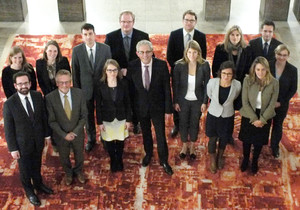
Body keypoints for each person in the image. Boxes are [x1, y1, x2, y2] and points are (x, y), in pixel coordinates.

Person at [3, 72, 53, 206]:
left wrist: (47, 135)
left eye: (26, 83)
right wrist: (13, 148)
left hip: (38, 140)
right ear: (15, 86)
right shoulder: (9, 104)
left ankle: (39, 184)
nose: (23, 86)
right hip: (21, 144)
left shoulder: (37, 96)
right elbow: (8, 129)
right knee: (25, 170)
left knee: (37, 164)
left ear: (30, 83)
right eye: (20, 84)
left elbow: (43, 117)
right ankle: (30, 192)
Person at [127, 40, 173, 175]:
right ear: (137, 53)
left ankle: (164, 160)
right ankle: (148, 154)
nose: (145, 55)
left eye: (148, 52)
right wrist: (131, 112)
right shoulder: (132, 66)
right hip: (141, 108)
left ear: (152, 52)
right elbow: (130, 90)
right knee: (146, 133)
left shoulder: (161, 65)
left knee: (160, 135)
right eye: (142, 52)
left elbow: (167, 89)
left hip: (158, 107)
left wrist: (168, 110)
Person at [105, 10, 150, 134]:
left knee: (136, 99)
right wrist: (119, 71)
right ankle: (122, 123)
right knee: (121, 100)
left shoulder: (142, 36)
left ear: (133, 22)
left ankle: (136, 122)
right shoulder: (111, 37)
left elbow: (148, 58)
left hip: (136, 74)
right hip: (117, 75)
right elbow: (108, 59)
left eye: (129, 22)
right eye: (123, 22)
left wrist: (129, 71)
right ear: (119, 22)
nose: (126, 25)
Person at [167, 10, 207, 138]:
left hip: (196, 71)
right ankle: (177, 124)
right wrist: (181, 68)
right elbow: (169, 56)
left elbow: (203, 55)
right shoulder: (174, 34)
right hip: (178, 72)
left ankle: (193, 124)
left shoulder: (201, 36)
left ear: (195, 22)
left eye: (191, 20)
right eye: (186, 20)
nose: (189, 22)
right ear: (182, 21)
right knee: (178, 96)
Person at [72, 23, 111, 152]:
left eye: (90, 34)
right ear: (82, 36)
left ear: (94, 34)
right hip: (85, 90)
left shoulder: (105, 49)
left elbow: (109, 70)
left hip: (102, 89)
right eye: (85, 34)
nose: (88, 37)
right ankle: (91, 139)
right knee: (88, 116)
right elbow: (75, 73)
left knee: (104, 114)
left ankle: (105, 137)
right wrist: (77, 93)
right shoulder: (77, 51)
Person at [46, 70, 87, 186]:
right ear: (57, 83)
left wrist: (75, 132)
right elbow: (52, 121)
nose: (65, 85)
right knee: (64, 156)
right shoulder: (50, 98)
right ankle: (68, 173)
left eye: (67, 82)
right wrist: (64, 134)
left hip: (77, 133)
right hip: (60, 135)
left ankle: (79, 171)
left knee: (79, 154)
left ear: (71, 82)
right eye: (61, 82)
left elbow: (84, 116)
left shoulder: (79, 94)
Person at [239, 56, 279, 174]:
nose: (260, 72)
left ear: (267, 69)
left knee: (259, 141)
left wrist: (262, 119)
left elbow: (272, 104)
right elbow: (244, 101)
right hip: (249, 113)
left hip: (264, 115)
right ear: (254, 69)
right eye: (257, 69)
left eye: (263, 69)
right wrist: (254, 118)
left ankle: (255, 160)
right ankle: (246, 159)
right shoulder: (247, 80)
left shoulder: (274, 83)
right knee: (246, 140)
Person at [173, 40, 210, 160]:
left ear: (198, 53)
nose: (192, 55)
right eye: (189, 52)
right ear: (186, 53)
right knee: (183, 123)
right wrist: (176, 101)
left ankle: (192, 146)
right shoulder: (179, 65)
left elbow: (207, 85)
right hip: (183, 100)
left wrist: (205, 101)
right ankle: (184, 146)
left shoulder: (204, 65)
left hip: (197, 100)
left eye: (194, 52)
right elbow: (175, 85)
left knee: (194, 123)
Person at [96, 59, 131, 172]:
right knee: (110, 142)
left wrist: (128, 120)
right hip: (107, 119)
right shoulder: (100, 85)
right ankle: (113, 160)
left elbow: (128, 102)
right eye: (110, 70)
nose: (112, 73)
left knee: (120, 141)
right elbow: (98, 106)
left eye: (115, 70)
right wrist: (100, 122)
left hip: (121, 118)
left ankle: (119, 159)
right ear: (105, 71)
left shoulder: (124, 84)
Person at [206, 61, 241, 173]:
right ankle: (212, 158)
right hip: (213, 114)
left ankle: (220, 156)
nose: (226, 76)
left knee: (224, 138)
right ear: (220, 73)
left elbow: (235, 97)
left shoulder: (237, 85)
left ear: (233, 75)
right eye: (224, 73)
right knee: (212, 138)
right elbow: (209, 95)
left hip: (227, 115)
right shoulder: (212, 83)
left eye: (229, 74)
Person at [269, 44, 298, 158]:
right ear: (275, 54)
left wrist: (281, 102)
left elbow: (293, 89)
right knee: (265, 124)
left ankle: (274, 146)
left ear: (288, 56)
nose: (281, 57)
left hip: (282, 103)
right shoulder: (268, 65)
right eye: (279, 54)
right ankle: (260, 143)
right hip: (267, 101)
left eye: (284, 55)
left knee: (278, 125)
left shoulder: (292, 70)